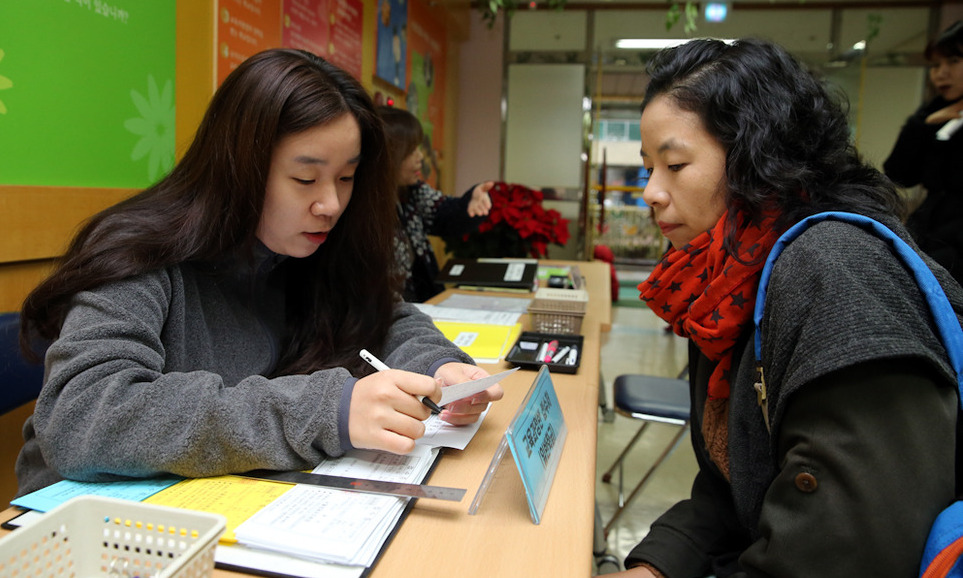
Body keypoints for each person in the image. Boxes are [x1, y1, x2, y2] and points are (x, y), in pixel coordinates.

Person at [15, 48, 503, 497]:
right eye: (305, 178)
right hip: (92, 526)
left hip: (221, 502)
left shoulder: (305, 248)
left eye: (346, 177)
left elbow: (382, 315)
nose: (330, 203)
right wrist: (325, 410)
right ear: (237, 168)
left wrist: (438, 366)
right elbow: (82, 417)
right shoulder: (139, 253)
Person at [613, 38, 962, 577]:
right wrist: (657, 565)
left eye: (675, 164)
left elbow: (847, 550)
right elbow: (737, 485)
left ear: (758, 157)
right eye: (648, 167)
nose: (652, 192)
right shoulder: (728, 282)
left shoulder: (835, 272)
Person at [377, 105, 494, 302]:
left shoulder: (411, 192)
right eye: (411, 151)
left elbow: (446, 215)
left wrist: (470, 202)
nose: (420, 158)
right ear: (388, 155)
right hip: (389, 319)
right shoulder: (364, 209)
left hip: (424, 307)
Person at [884, 21, 963, 286]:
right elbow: (899, 173)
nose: (941, 74)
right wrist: (925, 126)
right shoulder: (935, 112)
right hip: (932, 237)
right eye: (936, 65)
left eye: (953, 61)